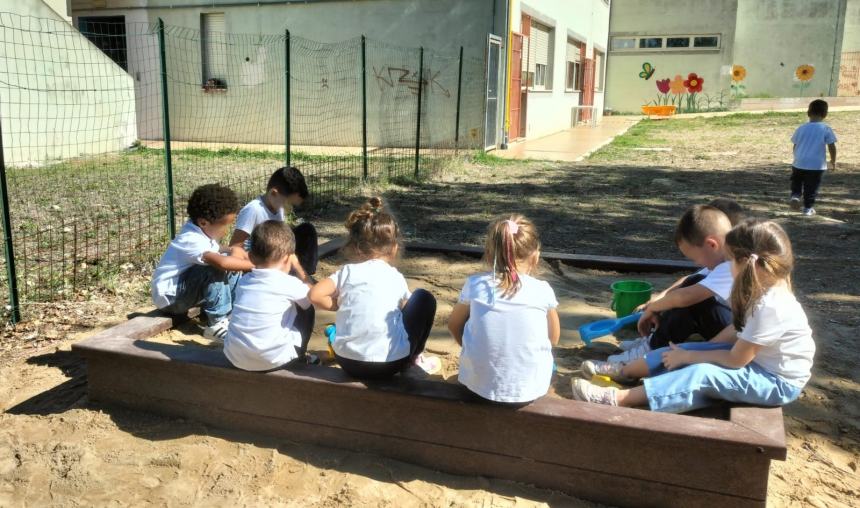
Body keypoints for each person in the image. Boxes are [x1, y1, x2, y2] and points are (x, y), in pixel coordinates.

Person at [572, 219, 815, 414]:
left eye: (730, 260)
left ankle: (621, 398)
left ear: (746, 263)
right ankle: (625, 371)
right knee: (685, 348)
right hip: (757, 362)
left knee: (701, 373)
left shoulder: (771, 305)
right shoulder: (763, 288)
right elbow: (737, 331)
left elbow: (735, 360)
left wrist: (692, 357)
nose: (727, 267)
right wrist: (697, 350)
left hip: (776, 382)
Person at [308, 197, 439, 379]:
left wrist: (339, 304)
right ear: (394, 248)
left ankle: (337, 337)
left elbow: (315, 295)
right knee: (425, 298)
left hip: (347, 361)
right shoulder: (395, 276)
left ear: (356, 247)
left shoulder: (347, 271)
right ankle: (413, 359)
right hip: (391, 364)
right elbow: (407, 307)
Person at [447, 215, 560, 405]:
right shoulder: (542, 290)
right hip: (528, 392)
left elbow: (453, 325)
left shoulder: (475, 284)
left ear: (489, 255)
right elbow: (553, 338)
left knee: (471, 314)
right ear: (535, 257)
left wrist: (475, 348)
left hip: (476, 388)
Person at [609, 205, 734, 363]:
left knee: (691, 298)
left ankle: (652, 350)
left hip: (741, 339)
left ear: (712, 244)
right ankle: (654, 341)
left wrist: (656, 307)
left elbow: (686, 296)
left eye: (695, 258)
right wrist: (656, 302)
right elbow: (688, 281)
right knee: (687, 288)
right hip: (733, 329)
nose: (696, 262)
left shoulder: (732, 265)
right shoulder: (722, 260)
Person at [151, 184, 253, 340]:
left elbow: (217, 250)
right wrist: (256, 265)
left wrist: (231, 250)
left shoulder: (198, 230)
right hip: (171, 298)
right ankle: (217, 324)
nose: (227, 230)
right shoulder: (190, 239)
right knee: (215, 267)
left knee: (231, 266)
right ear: (204, 222)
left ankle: (231, 313)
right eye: (225, 225)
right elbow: (221, 263)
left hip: (185, 292)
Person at [224, 221, 316, 371]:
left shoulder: (245, 280)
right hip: (272, 360)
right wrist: (298, 267)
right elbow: (315, 295)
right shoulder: (290, 283)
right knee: (307, 306)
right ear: (289, 259)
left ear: (251, 257)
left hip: (235, 357)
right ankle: (301, 357)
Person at [229, 166, 318, 281]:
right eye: (289, 204)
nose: (290, 209)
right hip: (259, 264)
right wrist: (255, 266)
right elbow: (234, 247)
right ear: (273, 193)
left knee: (306, 230)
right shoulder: (253, 210)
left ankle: (304, 275)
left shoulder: (277, 208)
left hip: (276, 257)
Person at [790, 99, 837, 216]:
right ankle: (807, 208)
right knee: (811, 187)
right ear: (825, 114)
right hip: (816, 165)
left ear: (808, 113)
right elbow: (831, 146)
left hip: (798, 162)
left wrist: (797, 157)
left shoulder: (801, 128)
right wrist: (833, 160)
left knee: (797, 181)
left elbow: (795, 145)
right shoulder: (825, 128)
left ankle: (795, 195)